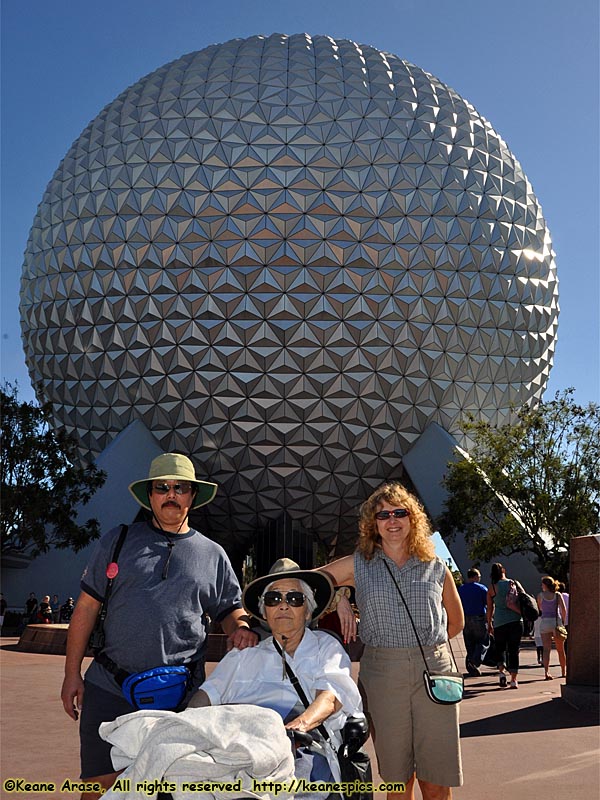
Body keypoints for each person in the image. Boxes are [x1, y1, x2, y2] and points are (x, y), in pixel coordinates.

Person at [60, 452, 260, 800]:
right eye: (162, 487)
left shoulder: (212, 554)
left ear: (192, 496)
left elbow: (230, 607)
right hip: (110, 688)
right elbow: (86, 609)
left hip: (179, 697)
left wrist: (239, 626)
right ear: (149, 495)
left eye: (180, 488)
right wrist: (71, 673)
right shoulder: (118, 541)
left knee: (172, 789)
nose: (171, 494)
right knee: (99, 788)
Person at [318, 482, 464, 800]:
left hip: (433, 669)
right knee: (398, 777)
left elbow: (456, 623)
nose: (392, 520)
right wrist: (339, 596)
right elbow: (310, 584)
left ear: (413, 519)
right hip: (383, 672)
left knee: (436, 778)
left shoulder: (436, 567)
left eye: (400, 512)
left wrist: (424, 648)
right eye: (383, 515)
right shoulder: (359, 564)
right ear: (373, 524)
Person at [188, 558, 364, 797]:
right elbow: (205, 696)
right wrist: (188, 728)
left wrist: (293, 729)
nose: (283, 606)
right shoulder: (244, 654)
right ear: (264, 611)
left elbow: (330, 697)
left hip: (302, 746)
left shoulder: (326, 647)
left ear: (308, 610)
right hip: (241, 751)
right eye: (273, 599)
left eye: (294, 599)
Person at [486, 563, 522, 689]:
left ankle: (501, 673)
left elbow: (490, 608)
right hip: (515, 620)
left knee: (500, 648)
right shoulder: (512, 583)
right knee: (514, 650)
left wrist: (489, 623)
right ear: (503, 571)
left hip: (499, 622)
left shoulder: (492, 588)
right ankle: (514, 679)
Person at [457, 568, 489, 676]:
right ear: (475, 577)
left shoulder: (461, 589)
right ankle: (475, 661)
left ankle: (471, 663)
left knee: (469, 642)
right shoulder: (482, 588)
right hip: (479, 617)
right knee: (483, 640)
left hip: (465, 618)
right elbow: (488, 603)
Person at [537, 576, 567, 680]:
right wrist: (562, 621)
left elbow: (540, 608)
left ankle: (547, 672)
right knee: (560, 649)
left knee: (546, 649)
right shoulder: (557, 595)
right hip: (556, 622)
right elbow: (563, 609)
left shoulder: (540, 595)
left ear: (545, 585)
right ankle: (563, 671)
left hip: (545, 622)